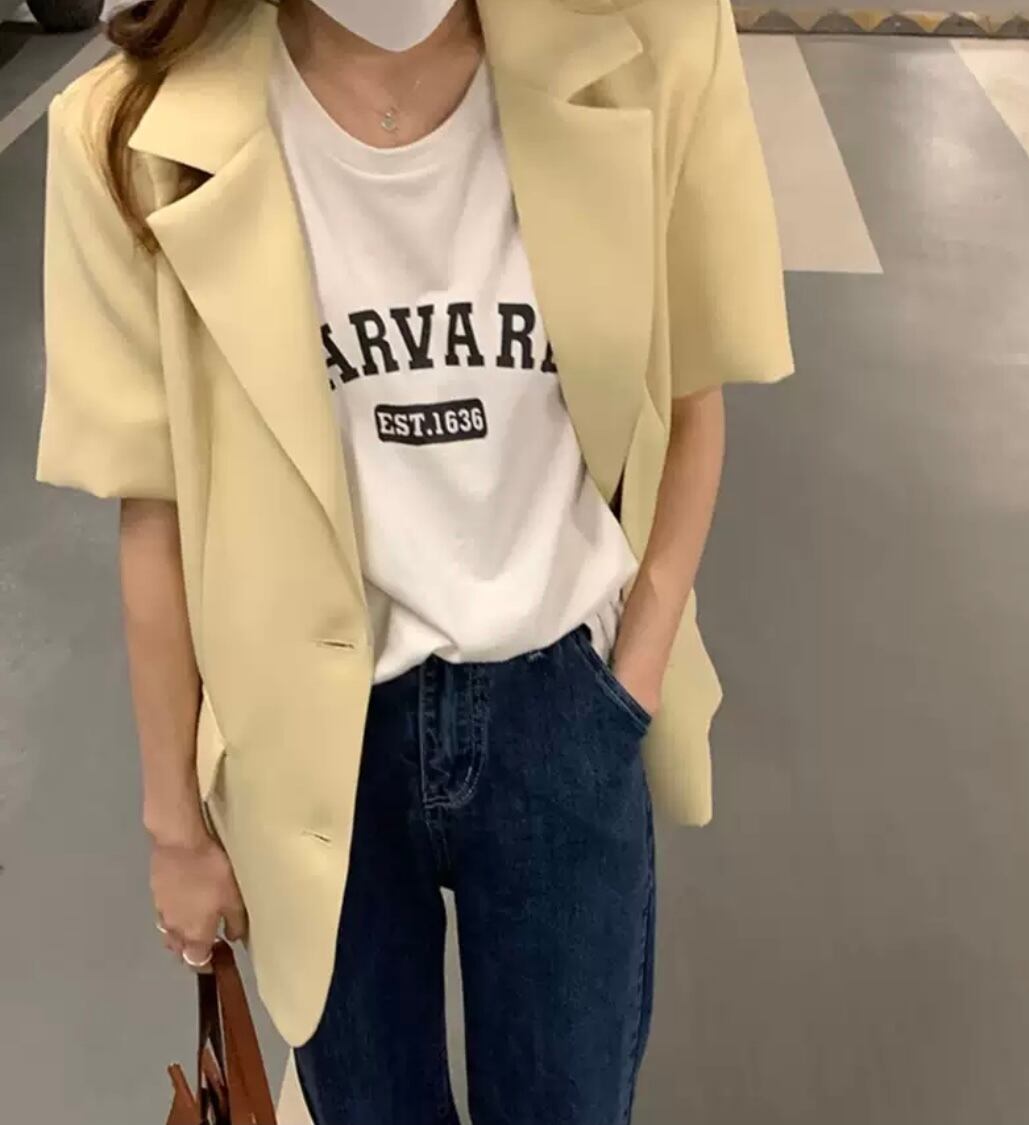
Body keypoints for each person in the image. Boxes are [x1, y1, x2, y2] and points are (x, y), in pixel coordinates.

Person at [34, 0, 793, 1120]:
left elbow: (693, 394)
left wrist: (629, 674)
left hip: (561, 697)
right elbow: (156, 508)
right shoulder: (130, 129)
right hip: (311, 740)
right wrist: (175, 831)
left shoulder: (657, 43)